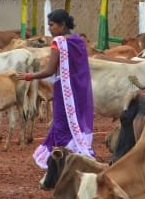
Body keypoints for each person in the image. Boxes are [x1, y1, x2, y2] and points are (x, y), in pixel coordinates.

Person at [21, 9, 95, 169]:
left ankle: (63, 161)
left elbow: (49, 71)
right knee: (74, 122)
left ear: (62, 25)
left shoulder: (58, 42)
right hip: (79, 89)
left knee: (61, 124)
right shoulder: (78, 41)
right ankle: (73, 156)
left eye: (52, 25)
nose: (49, 28)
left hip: (64, 91)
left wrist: (29, 76)